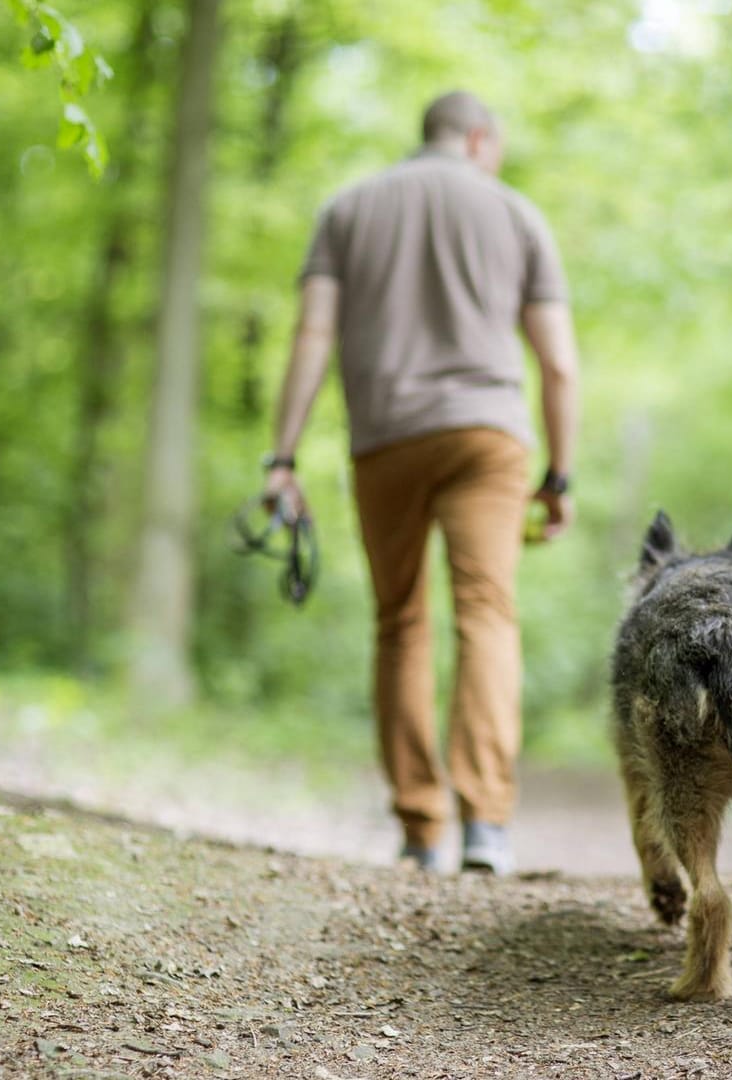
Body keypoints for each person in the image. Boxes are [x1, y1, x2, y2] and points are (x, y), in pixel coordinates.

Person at [262, 90, 579, 876]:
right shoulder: (517, 215)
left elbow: (312, 335)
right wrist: (559, 475)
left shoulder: (347, 209)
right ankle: (487, 825)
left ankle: (418, 826)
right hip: (488, 435)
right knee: (488, 615)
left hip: (387, 437)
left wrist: (283, 457)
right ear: (479, 139)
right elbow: (559, 362)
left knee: (400, 622)